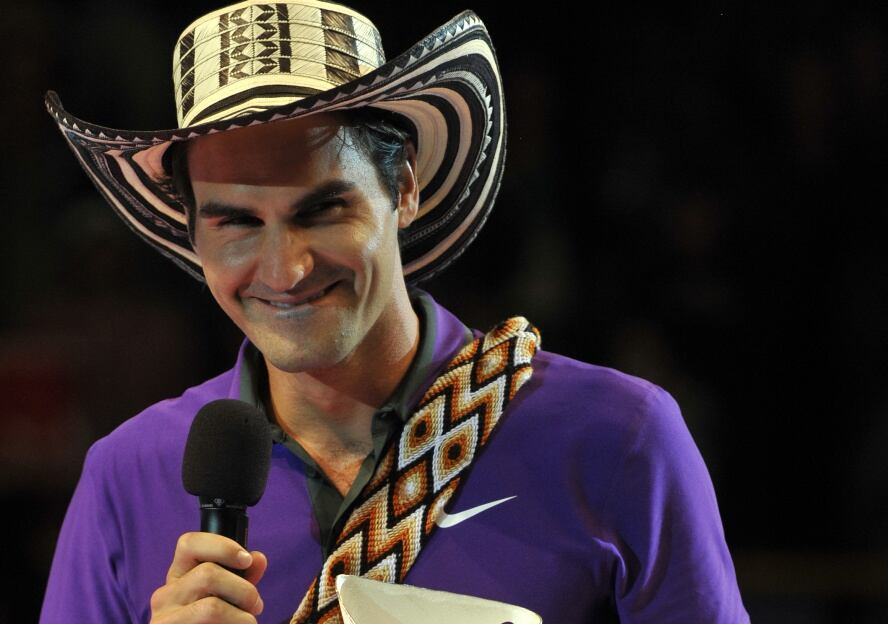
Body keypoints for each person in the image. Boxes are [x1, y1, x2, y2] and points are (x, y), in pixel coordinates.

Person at [40, 1, 749, 622]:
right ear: (192, 231)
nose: (284, 271)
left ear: (404, 187)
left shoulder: (617, 438)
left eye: (323, 211)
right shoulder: (126, 476)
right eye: (237, 224)